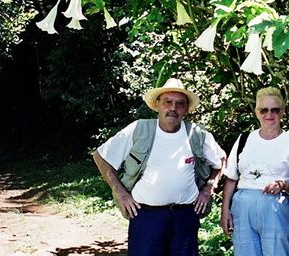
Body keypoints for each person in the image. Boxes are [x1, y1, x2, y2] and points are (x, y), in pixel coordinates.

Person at [92, 78, 225, 255]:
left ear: (185, 109)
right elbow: (101, 156)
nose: (173, 108)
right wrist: (120, 193)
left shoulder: (197, 134)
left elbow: (222, 161)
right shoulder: (139, 129)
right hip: (146, 218)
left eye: (180, 104)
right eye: (167, 102)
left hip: (185, 217)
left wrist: (208, 189)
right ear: (157, 105)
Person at [220, 87, 289, 255]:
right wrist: (225, 210)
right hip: (243, 207)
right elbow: (231, 178)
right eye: (263, 110)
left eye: (274, 110)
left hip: (277, 207)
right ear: (256, 112)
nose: (269, 114)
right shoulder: (244, 139)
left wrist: (284, 185)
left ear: (282, 111)